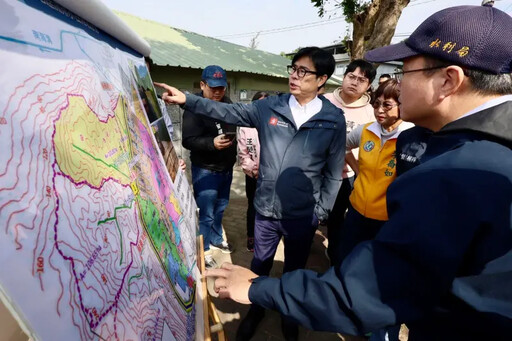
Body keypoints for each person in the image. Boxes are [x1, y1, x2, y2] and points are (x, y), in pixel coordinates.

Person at [205, 4, 512, 340]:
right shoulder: (464, 147)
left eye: (402, 73)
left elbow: (367, 291)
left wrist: (254, 288)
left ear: (448, 80)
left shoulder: (461, 172)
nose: (392, 86)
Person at [157, 46, 346, 341]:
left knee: (295, 270)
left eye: (303, 71)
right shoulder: (270, 106)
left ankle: (288, 314)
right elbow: (227, 110)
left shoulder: (333, 118)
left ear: (321, 79)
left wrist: (321, 212)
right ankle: (256, 309)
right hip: (266, 211)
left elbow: (334, 172)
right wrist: (187, 100)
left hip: (302, 214)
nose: (294, 76)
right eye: (292, 69)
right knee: (259, 265)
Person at [337, 79, 413, 266]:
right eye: (376, 104)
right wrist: (357, 170)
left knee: (373, 266)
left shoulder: (410, 137)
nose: (379, 110)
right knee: (345, 259)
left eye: (387, 105)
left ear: (401, 105)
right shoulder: (365, 130)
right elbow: (343, 146)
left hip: (387, 219)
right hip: (356, 210)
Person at [181, 65, 237, 268]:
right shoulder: (193, 107)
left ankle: (216, 239)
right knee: (205, 213)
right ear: (203, 84)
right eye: (213, 87)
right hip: (206, 169)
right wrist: (211, 143)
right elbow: (188, 140)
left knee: (221, 207)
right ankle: (202, 251)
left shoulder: (228, 104)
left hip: (226, 168)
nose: (217, 92)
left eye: (221, 87)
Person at [323, 59, 376, 263]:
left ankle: (334, 256)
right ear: (344, 77)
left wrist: (356, 170)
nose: (354, 82)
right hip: (315, 172)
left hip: (346, 176)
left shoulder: (371, 113)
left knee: (337, 219)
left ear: (368, 85)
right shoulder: (323, 101)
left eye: (361, 80)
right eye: (351, 76)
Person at [237, 91, 269, 252]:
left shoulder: (276, 123)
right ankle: (252, 236)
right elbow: (243, 153)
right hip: (253, 174)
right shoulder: (246, 126)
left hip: (272, 175)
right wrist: (253, 169)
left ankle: (265, 238)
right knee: (253, 205)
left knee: (268, 207)